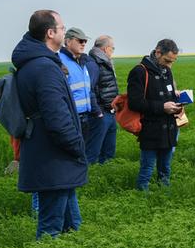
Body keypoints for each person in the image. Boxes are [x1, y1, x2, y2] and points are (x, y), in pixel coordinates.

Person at [11, 10, 87, 239]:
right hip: (53, 156)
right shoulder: (43, 67)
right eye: (62, 28)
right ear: (50, 32)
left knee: (71, 225)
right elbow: (57, 119)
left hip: (53, 156)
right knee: (50, 229)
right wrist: (77, 145)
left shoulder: (36, 63)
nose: (65, 31)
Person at [127, 39, 182, 191]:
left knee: (165, 170)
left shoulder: (167, 71)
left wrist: (176, 100)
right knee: (147, 170)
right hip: (151, 129)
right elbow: (135, 103)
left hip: (169, 129)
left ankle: (164, 197)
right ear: (158, 52)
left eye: (172, 61)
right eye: (167, 60)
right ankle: (142, 200)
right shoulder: (139, 71)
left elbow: (166, 95)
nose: (170, 65)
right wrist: (162, 106)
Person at [59, 27, 101, 160]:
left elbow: (88, 91)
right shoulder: (60, 61)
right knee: (68, 156)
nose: (83, 44)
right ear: (68, 41)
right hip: (70, 118)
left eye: (85, 41)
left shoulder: (82, 62)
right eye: (80, 40)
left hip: (84, 118)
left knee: (81, 154)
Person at [86, 35, 119, 164]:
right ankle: (87, 180)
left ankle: (105, 175)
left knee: (109, 151)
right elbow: (89, 89)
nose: (113, 51)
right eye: (113, 48)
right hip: (101, 113)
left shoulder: (104, 62)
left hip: (110, 111)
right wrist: (97, 111)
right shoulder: (93, 63)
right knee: (93, 152)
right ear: (106, 49)